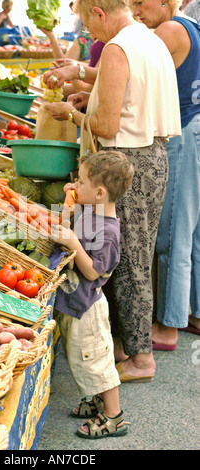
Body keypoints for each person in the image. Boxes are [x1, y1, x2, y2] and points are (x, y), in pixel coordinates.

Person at [42, 0, 181, 382]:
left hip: (128, 161)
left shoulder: (119, 47)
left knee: (130, 260)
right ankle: (124, 346)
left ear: (99, 13)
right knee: (135, 255)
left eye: (87, 23)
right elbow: (123, 91)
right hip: (153, 155)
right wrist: (86, 86)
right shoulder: (146, 37)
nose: (88, 32)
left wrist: (69, 114)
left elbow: (104, 125)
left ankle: (140, 358)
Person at [52, 150, 134, 439]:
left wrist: (73, 241)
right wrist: (68, 202)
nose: (75, 184)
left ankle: (114, 417)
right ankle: (94, 399)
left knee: (97, 361)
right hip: (74, 302)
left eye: (81, 181)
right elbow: (62, 228)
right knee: (79, 357)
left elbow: (93, 273)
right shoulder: (89, 213)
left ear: (99, 193)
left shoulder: (109, 231)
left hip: (89, 307)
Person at [132, 1, 200, 348]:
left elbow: (136, 76)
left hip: (184, 132)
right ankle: (193, 314)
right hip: (196, 130)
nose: (134, 10)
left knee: (173, 235)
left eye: (138, 3)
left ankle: (168, 326)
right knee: (194, 232)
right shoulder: (190, 26)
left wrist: (81, 77)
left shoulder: (168, 30)